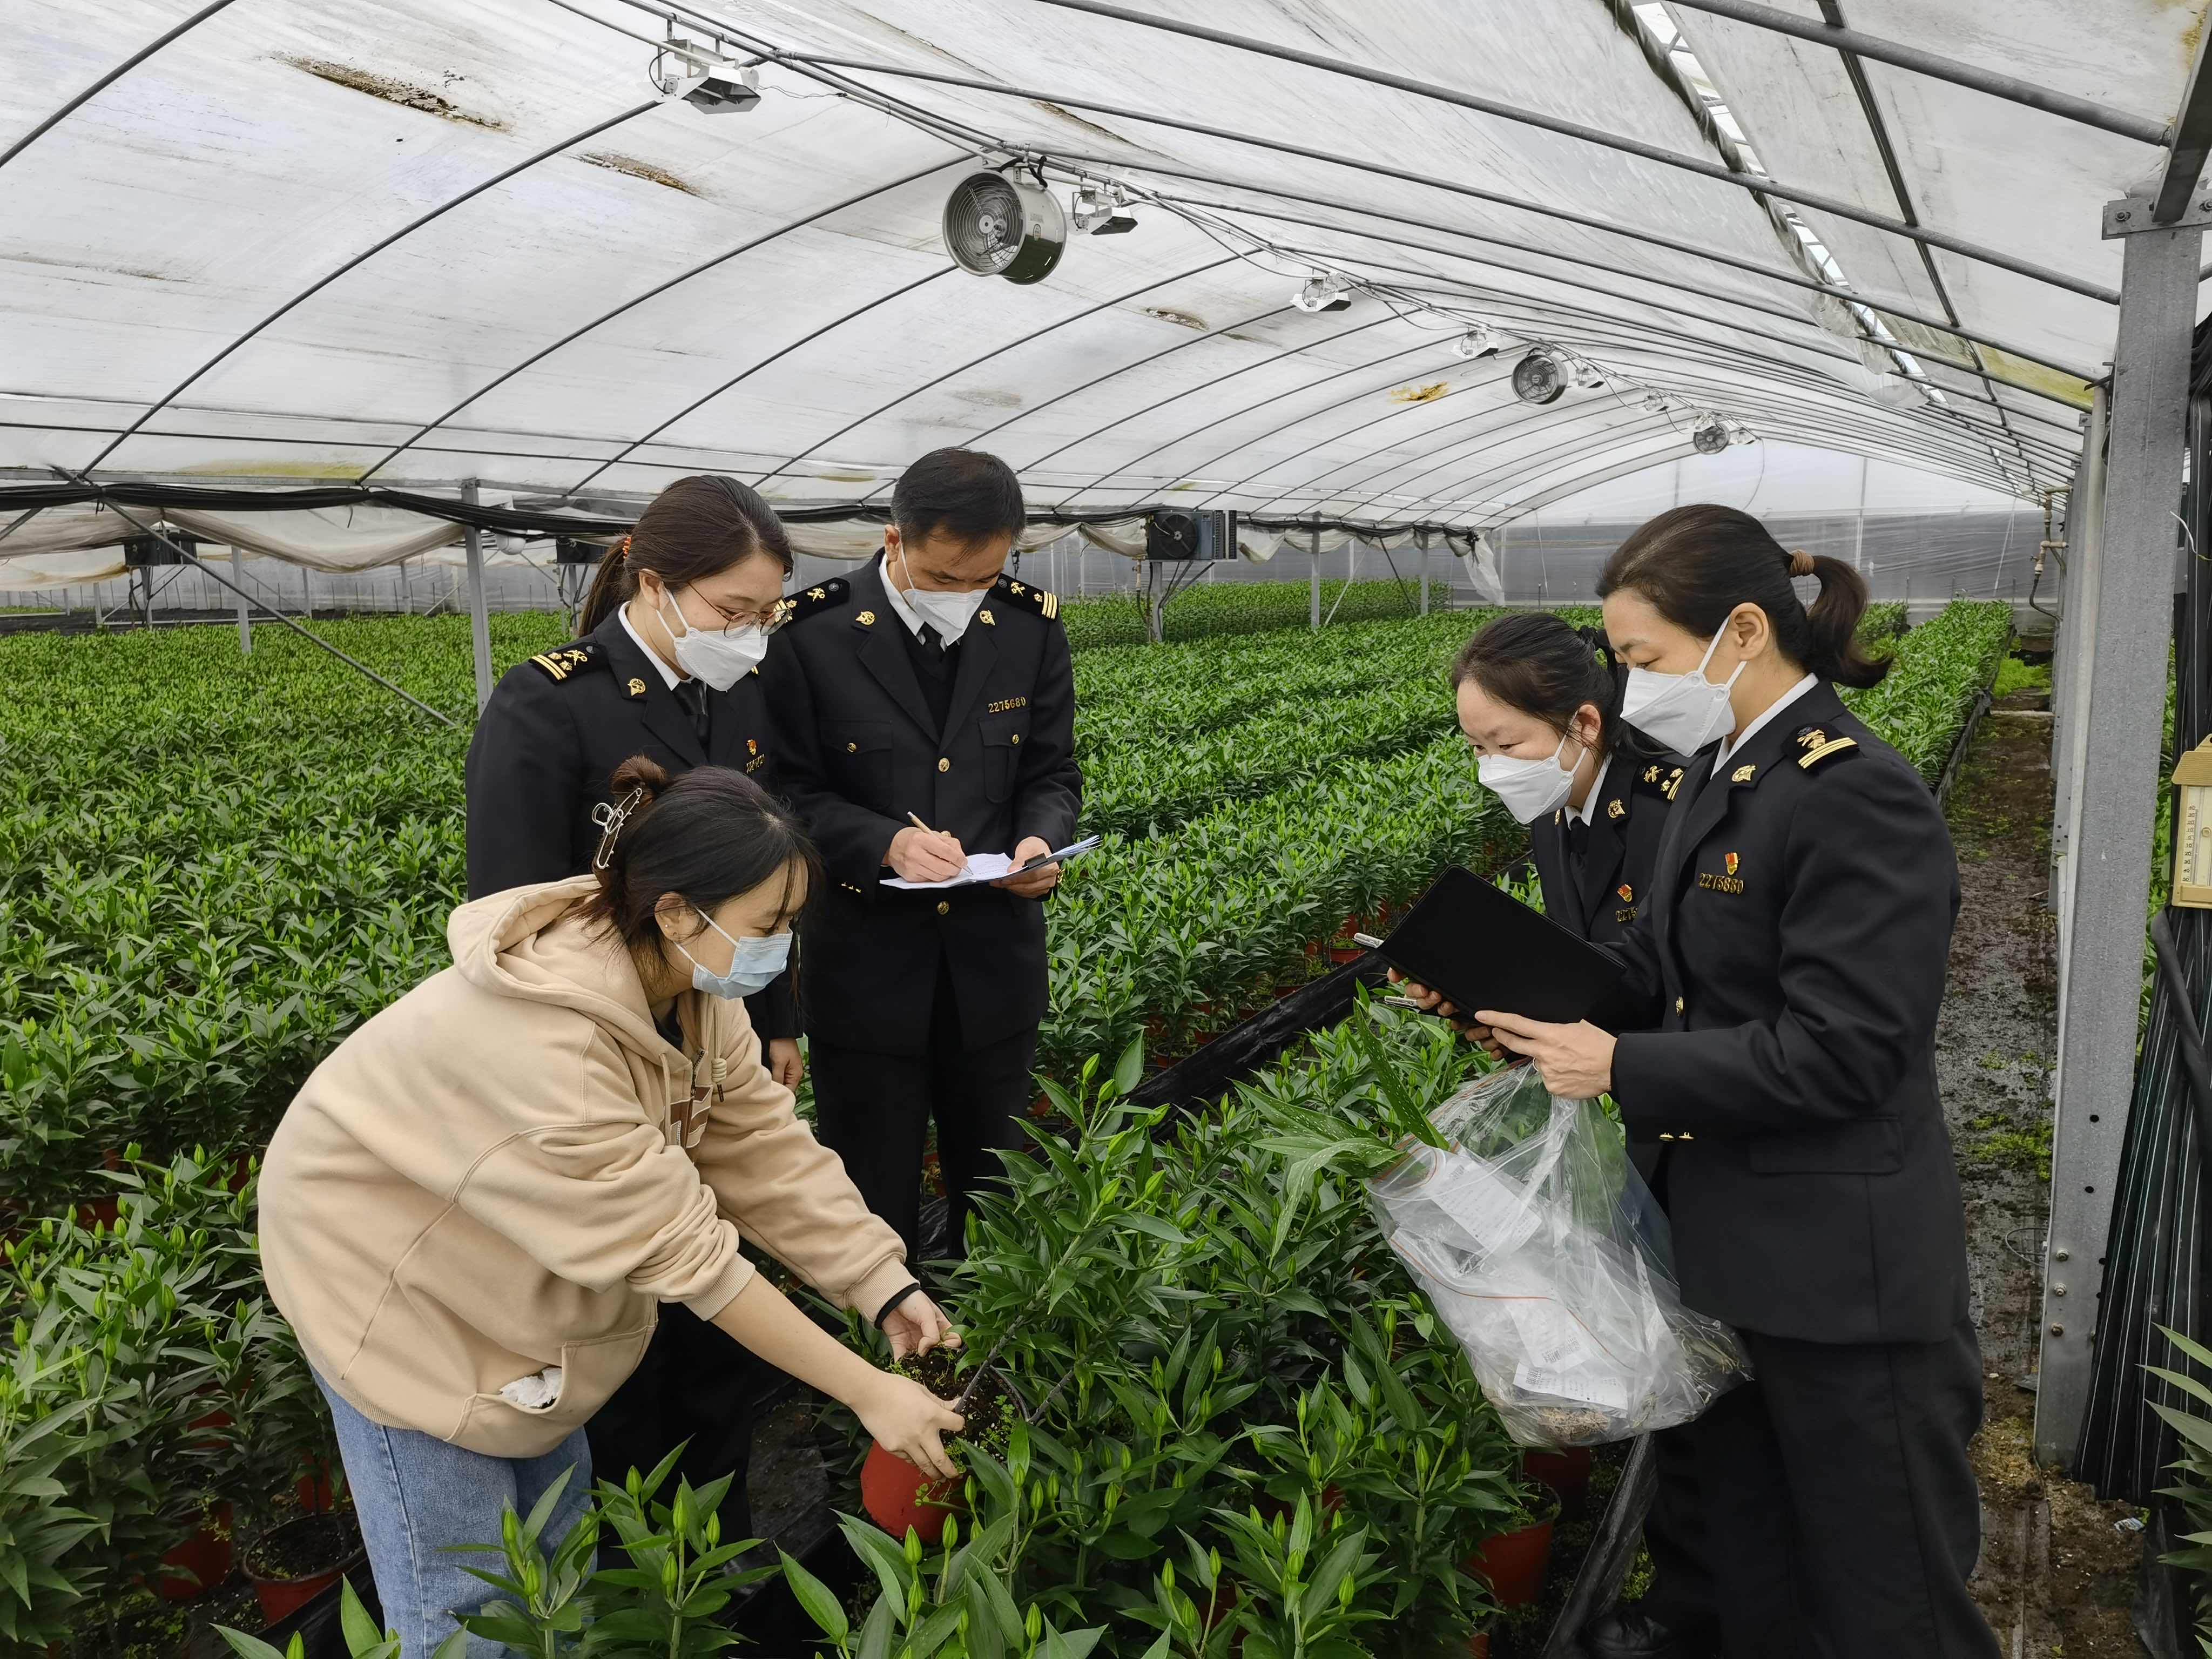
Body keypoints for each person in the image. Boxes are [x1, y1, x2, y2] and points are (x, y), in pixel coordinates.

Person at [260, 758, 962, 1659]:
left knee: (554, 1558)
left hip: (494, 1262)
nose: (781, 949)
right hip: (382, 1274)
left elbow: (763, 1149)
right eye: (768, 925)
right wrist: (870, 1393)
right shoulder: (553, 1045)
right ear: (676, 911)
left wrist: (884, 1287)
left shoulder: (691, 991)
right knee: (467, 1605)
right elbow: (696, 1263)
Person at [1471, 505, 1995, 1659]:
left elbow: (1850, 1049)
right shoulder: (1721, 772)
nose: (1634, 684)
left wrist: (1622, 1066)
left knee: (1883, 1603)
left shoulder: (1850, 791)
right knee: (1754, 1585)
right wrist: (1505, 993)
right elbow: (1664, 973)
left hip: (1837, 1283)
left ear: (1742, 630)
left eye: (1646, 659)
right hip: (1724, 1260)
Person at [463, 474, 812, 1531]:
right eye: (731, 612)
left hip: (714, 1064)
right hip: (601, 1074)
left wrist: (781, 1014)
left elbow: (767, 868)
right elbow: (511, 919)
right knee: (621, 1330)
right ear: (653, 584)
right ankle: (631, 1584)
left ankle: (718, 1554)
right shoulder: (549, 700)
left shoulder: (737, 693)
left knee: (715, 1322)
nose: (750, 635)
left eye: (766, 614)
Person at [1442, 611, 1714, 1659]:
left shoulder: (1671, 810)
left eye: (1502, 745)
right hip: (1630, 1097)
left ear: (1583, 724)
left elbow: (1663, 987)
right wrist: (1473, 1001)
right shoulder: (1555, 811)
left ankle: (1696, 1598)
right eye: (1473, 748)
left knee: (1706, 1363)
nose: (1489, 770)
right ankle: (1684, 1593)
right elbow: (1580, 971)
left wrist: (1597, 1040)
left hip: (1687, 1109)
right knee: (1667, 1347)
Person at [760, 447, 1080, 1259]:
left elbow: (1050, 769)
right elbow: (784, 792)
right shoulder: (812, 635)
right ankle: (885, 1352)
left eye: (985, 579)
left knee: (996, 1188)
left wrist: (1040, 839)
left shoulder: (1027, 625)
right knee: (873, 1188)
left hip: (993, 970)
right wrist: (883, 841)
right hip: (869, 970)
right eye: (945, 578)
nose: (966, 599)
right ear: (894, 542)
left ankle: (990, 1360)